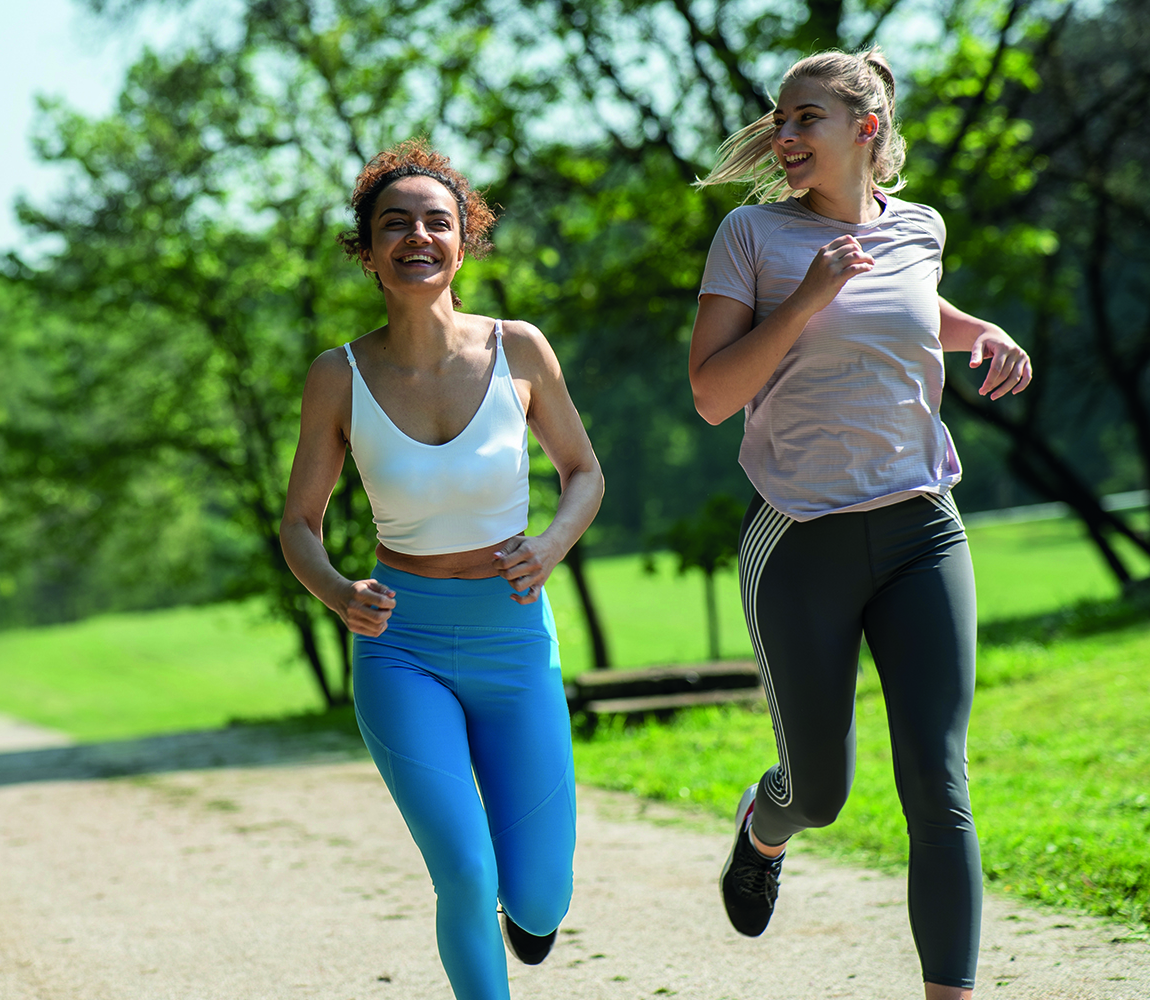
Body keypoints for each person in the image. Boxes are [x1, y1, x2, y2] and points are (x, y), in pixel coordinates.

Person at [687, 48, 1032, 1000]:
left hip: (924, 525)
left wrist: (986, 333)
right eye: (781, 120)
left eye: (806, 120)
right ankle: (766, 824)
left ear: (865, 130)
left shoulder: (919, 226)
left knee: (939, 783)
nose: (784, 137)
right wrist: (807, 297)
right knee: (824, 792)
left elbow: (916, 309)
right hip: (800, 539)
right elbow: (713, 394)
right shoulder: (751, 236)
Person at [279, 139, 603, 1000]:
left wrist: (551, 544)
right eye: (395, 225)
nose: (416, 237)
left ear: (465, 240)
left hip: (511, 639)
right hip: (402, 648)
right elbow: (300, 526)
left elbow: (583, 472)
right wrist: (341, 593)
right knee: (463, 870)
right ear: (367, 249)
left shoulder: (519, 350)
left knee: (539, 895)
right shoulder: (336, 376)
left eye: (437, 221)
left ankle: (527, 919)